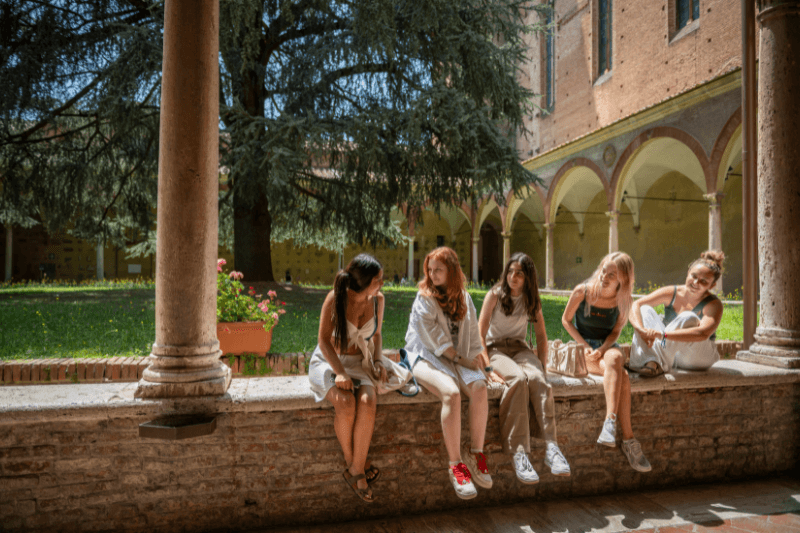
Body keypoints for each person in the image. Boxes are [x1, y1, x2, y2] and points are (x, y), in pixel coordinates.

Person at [308, 254, 410, 503]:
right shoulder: (336, 297)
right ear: (363, 282)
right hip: (330, 361)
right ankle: (355, 466)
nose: (382, 285)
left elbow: (376, 337)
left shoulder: (378, 300)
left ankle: (355, 468)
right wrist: (339, 372)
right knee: (345, 403)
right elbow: (323, 340)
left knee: (368, 401)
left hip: (360, 362)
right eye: (378, 281)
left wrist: (376, 361)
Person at [404, 247, 490, 500]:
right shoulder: (424, 298)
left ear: (451, 270)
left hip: (459, 357)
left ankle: (476, 454)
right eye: (429, 270)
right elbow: (434, 340)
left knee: (480, 387)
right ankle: (456, 465)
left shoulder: (464, 297)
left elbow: (474, 339)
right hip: (425, 356)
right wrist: (463, 360)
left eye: (438, 270)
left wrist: (484, 366)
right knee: (451, 393)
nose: (432, 275)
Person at [477, 253, 571, 484]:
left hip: (520, 348)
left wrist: (543, 368)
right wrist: (488, 368)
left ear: (528, 276)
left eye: (519, 273)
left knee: (538, 379)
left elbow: (541, 337)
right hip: (496, 349)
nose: (513, 277)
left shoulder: (530, 299)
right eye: (510, 272)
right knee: (517, 380)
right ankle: (519, 453)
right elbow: (479, 334)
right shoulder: (495, 296)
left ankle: (552, 447)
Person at [561, 252, 651, 473]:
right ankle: (628, 440)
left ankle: (609, 423)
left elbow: (616, 332)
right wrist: (585, 346)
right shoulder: (582, 291)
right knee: (624, 377)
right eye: (604, 270)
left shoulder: (623, 299)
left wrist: (602, 348)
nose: (605, 276)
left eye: (613, 274)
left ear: (623, 279)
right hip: (583, 348)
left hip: (606, 347)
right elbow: (565, 320)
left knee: (617, 357)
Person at [628, 250, 725, 375]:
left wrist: (662, 335)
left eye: (704, 281)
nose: (696, 283)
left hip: (697, 357)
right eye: (694, 276)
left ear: (712, 286)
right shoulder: (672, 292)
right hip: (672, 355)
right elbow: (635, 304)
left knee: (689, 317)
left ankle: (647, 361)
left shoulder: (714, 304)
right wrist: (641, 330)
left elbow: (702, 333)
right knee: (644, 310)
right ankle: (652, 363)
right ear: (688, 273)